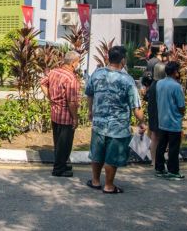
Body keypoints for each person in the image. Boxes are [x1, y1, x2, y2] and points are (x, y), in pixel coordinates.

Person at [85, 46, 144, 192]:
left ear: (108, 58)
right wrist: (142, 122)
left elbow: (89, 93)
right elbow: (136, 107)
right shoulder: (127, 80)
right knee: (112, 156)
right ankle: (109, 186)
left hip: (98, 124)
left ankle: (95, 181)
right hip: (118, 127)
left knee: (97, 153)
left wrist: (90, 111)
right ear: (123, 60)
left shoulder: (97, 73)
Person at [40, 50, 82, 177]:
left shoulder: (54, 72)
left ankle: (62, 164)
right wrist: (75, 118)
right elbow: (72, 102)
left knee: (58, 141)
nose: (78, 64)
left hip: (55, 113)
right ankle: (59, 169)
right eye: (78, 62)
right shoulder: (71, 78)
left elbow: (42, 83)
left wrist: (50, 97)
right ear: (73, 63)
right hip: (66, 116)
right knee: (65, 144)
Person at [154, 60, 186, 180]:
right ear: (175, 72)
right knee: (173, 148)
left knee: (161, 146)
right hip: (174, 121)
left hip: (162, 120)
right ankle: (173, 170)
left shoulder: (159, 83)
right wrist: (182, 114)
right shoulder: (176, 86)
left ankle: (159, 168)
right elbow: (181, 105)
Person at [146, 50, 169, 163]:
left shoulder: (153, 85)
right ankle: (158, 159)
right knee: (160, 137)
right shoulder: (162, 85)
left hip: (153, 112)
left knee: (154, 136)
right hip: (161, 113)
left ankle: (153, 160)